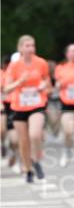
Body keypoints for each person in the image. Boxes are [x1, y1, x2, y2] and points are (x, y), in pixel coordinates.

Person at [3, 35, 51, 182]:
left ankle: (36, 160)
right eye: (27, 46)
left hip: (37, 104)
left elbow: (48, 82)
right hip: (19, 106)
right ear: (20, 48)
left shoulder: (41, 63)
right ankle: (28, 169)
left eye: (32, 45)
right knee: (23, 142)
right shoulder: (14, 66)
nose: (31, 49)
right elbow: (6, 88)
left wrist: (44, 86)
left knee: (35, 135)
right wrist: (19, 81)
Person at [54, 44, 74, 167]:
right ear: (67, 54)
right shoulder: (61, 68)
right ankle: (66, 152)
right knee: (68, 131)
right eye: (72, 51)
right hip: (67, 103)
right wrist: (60, 84)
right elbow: (57, 83)